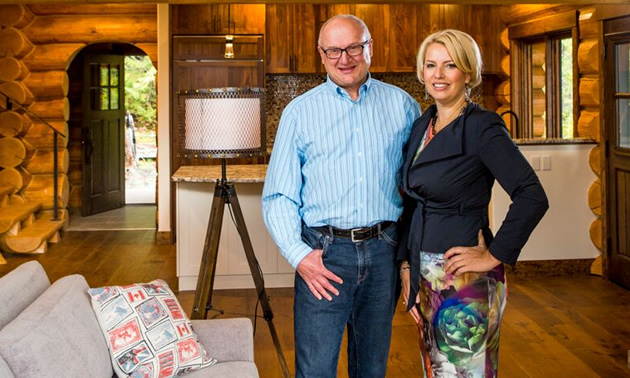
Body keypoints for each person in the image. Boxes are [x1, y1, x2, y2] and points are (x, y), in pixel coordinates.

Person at [262, 14, 421, 378]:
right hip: (324, 256)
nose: (344, 58)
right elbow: (278, 197)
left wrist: (409, 259)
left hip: (384, 252)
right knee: (316, 369)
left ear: (370, 48)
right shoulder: (299, 113)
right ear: (321, 54)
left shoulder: (403, 106)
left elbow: (415, 191)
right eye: (334, 50)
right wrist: (300, 256)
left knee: (372, 368)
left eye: (353, 47)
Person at [398, 29, 548, 377]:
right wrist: (406, 266)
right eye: (431, 65)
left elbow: (532, 195)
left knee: (464, 373)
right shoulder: (424, 124)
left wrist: (494, 254)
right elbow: (410, 201)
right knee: (437, 370)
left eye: (450, 65)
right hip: (423, 268)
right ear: (421, 72)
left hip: (463, 277)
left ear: (467, 73)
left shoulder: (483, 127)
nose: (438, 75)